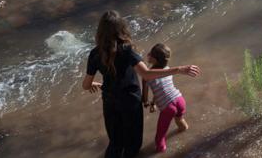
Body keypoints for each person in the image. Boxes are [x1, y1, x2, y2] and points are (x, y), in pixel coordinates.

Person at [82, 11, 199, 158]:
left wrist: (95, 83)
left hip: (110, 101)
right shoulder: (126, 49)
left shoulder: (95, 54)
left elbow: (86, 85)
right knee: (133, 143)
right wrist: (178, 70)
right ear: (121, 28)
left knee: (115, 142)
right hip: (130, 101)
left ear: (100, 31)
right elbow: (146, 74)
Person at [142, 43, 193, 153]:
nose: (148, 54)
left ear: (154, 60)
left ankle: (161, 152)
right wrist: (154, 103)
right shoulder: (168, 69)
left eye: (150, 54)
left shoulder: (146, 76)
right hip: (179, 99)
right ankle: (185, 133)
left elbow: (144, 97)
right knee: (180, 120)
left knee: (159, 138)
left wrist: (147, 103)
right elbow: (162, 88)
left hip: (168, 108)